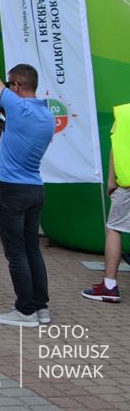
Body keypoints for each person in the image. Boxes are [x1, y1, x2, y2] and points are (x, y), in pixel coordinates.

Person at [0, 17, 55, 327]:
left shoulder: (18, 108)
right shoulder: (46, 114)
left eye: (9, 84)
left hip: (12, 190)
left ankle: (25, 311)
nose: (4, 88)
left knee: (16, 252)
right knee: (31, 249)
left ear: (17, 86)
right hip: (34, 189)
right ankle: (40, 308)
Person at [82, 103, 130, 303]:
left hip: (127, 183)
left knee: (114, 229)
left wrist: (111, 181)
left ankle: (109, 286)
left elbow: (115, 148)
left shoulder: (124, 112)